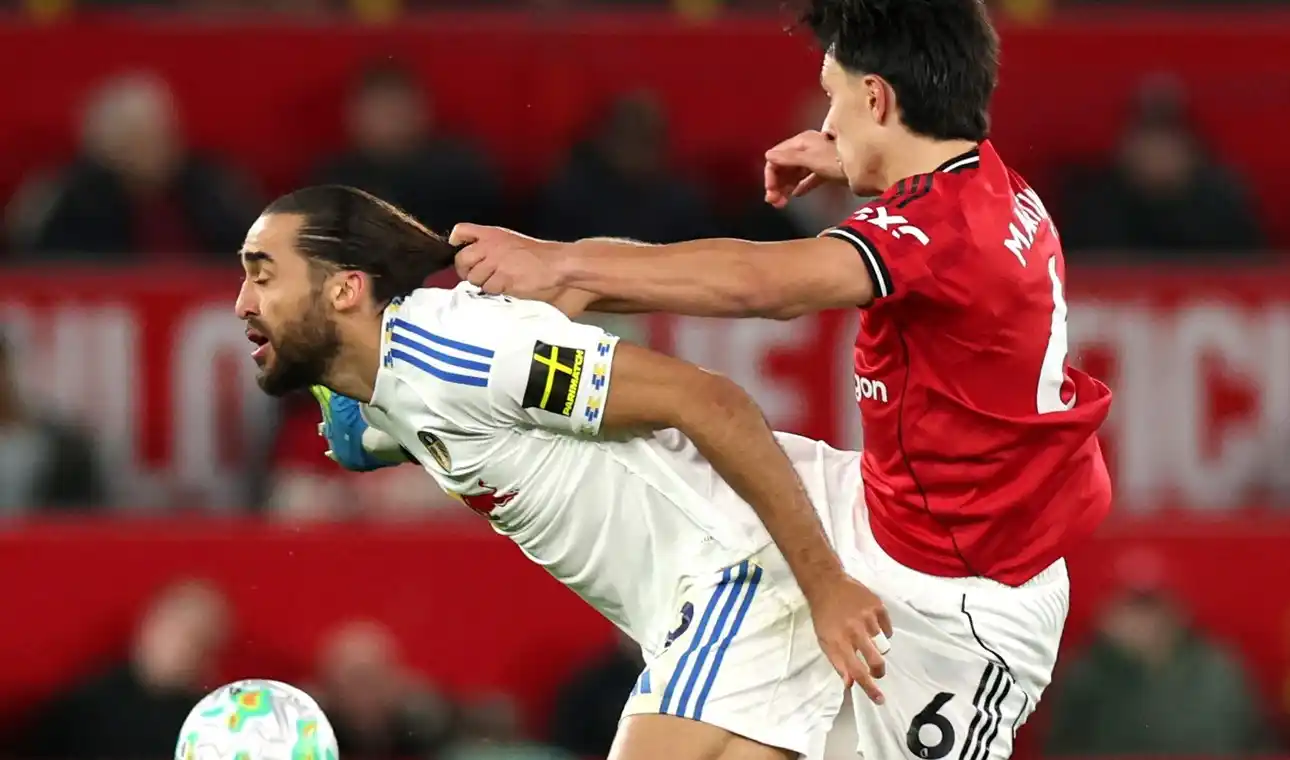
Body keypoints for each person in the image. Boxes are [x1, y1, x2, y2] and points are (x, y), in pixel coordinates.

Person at [450, 0, 1113, 758]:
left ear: (878, 99)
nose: (827, 123)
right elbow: (932, 209)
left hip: (970, 610)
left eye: (836, 98)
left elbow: (765, 286)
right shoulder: (991, 185)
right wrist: (862, 159)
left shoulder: (938, 230)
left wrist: (562, 263)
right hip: (885, 518)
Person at [235, 185, 888, 760]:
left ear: (347, 289)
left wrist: (824, 583)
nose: (241, 302)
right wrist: (357, 435)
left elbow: (710, 402)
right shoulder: (392, 388)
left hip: (745, 577)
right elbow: (371, 433)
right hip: (744, 594)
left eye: (263, 276)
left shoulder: (462, 354)